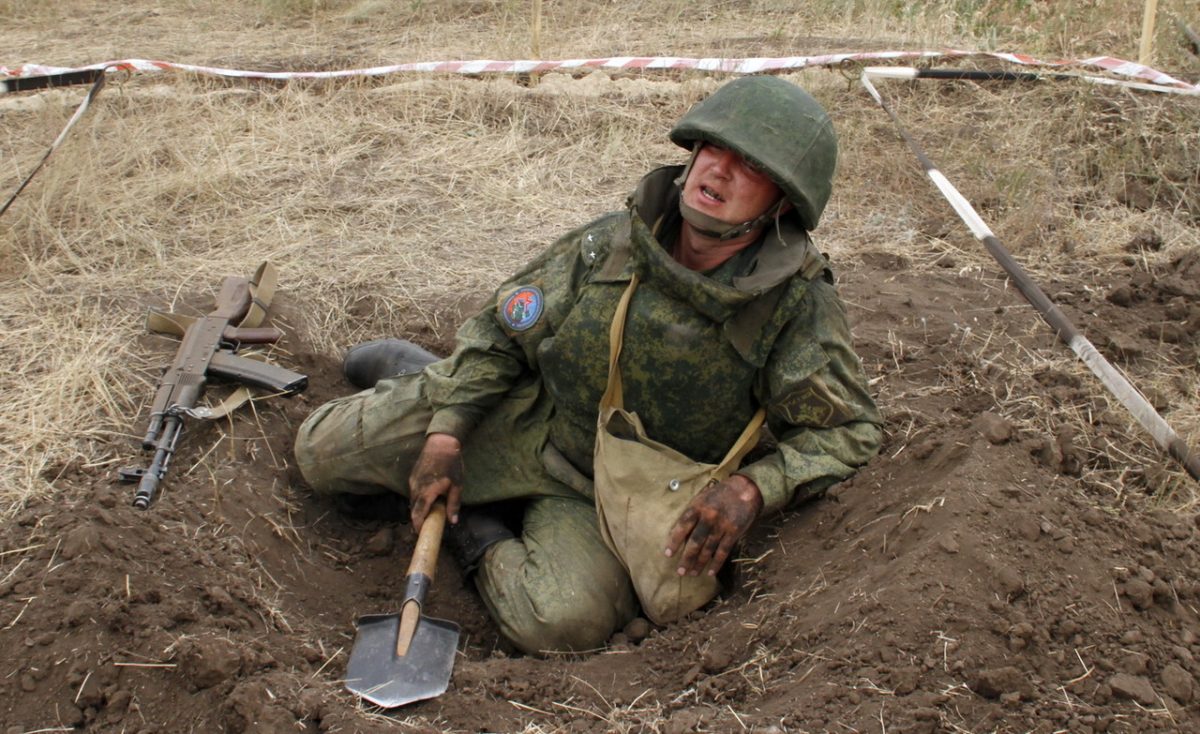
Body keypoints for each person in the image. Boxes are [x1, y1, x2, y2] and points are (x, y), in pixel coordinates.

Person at [294, 75, 882, 654]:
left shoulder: (794, 307)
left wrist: (754, 488)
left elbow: (848, 431)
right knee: (320, 453)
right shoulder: (615, 243)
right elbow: (503, 330)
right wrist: (448, 433)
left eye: (750, 166)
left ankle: (474, 521)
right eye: (714, 148)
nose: (719, 171)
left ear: (783, 201)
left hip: (608, 497)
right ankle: (419, 374)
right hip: (523, 415)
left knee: (557, 621)